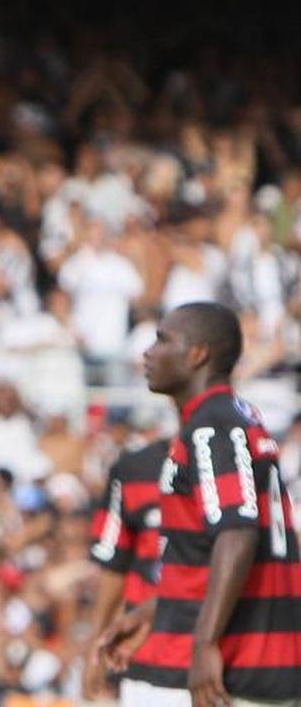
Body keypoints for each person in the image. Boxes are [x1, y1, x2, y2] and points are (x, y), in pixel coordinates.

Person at [100, 302, 301, 707]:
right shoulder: (237, 418)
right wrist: (155, 610)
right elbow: (216, 550)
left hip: (236, 667)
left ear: (198, 354)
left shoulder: (213, 427)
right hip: (260, 659)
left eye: (162, 340)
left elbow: (237, 534)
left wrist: (205, 642)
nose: (148, 352)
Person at [83, 434, 167, 703]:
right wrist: (95, 650)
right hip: (145, 658)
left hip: (220, 658)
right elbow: (114, 568)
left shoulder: (241, 458)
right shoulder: (135, 468)